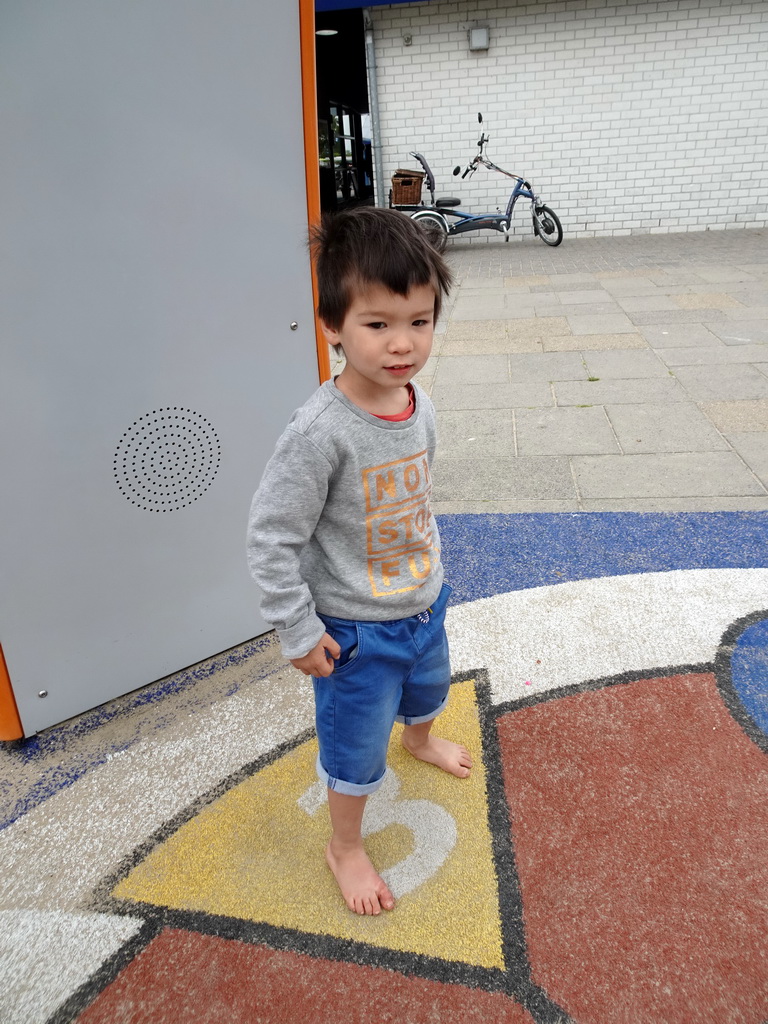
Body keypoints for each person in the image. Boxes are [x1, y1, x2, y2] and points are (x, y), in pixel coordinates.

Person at [246, 207, 471, 917]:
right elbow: (271, 535)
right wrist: (296, 628)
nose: (402, 344)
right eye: (378, 324)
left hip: (422, 603)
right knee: (354, 753)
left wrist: (430, 573)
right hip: (353, 631)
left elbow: (417, 495)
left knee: (428, 692)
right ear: (332, 325)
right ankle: (345, 844)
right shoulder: (318, 433)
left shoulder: (419, 404)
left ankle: (423, 738)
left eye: (420, 321)